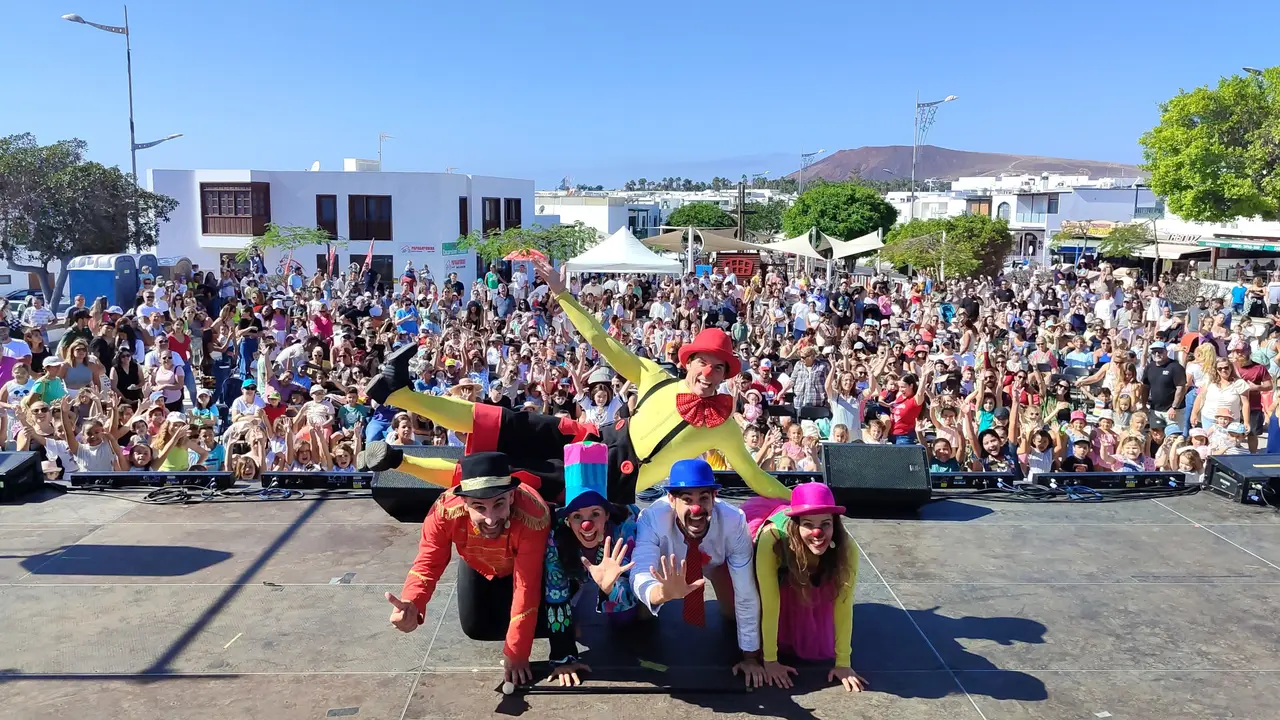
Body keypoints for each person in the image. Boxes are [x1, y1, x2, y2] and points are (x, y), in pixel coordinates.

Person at [357, 259, 792, 506]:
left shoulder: (725, 425)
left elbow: (753, 476)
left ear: (726, 374)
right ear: (690, 361)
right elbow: (601, 341)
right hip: (592, 436)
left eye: (719, 368)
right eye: (703, 363)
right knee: (505, 421)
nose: (709, 373)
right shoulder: (656, 376)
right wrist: (564, 294)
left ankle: (397, 462)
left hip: (607, 479)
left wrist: (801, 502)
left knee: (502, 478)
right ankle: (399, 392)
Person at [385, 452, 551, 688]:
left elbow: (526, 585)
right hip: (478, 565)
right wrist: (413, 602)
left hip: (525, 568)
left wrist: (517, 652)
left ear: (512, 497)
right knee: (477, 629)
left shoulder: (533, 515)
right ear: (464, 503)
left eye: (499, 504)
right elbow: (429, 561)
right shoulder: (443, 511)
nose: (491, 519)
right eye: (479, 507)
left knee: (548, 623)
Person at [629, 458, 767, 687]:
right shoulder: (653, 519)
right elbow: (641, 569)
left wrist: (751, 657)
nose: (696, 508)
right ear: (672, 500)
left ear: (714, 498)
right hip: (669, 568)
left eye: (703, 497)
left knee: (733, 614)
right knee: (643, 617)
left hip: (716, 562)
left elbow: (745, 591)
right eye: (687, 499)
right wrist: (660, 593)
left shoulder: (734, 522)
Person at [742, 483, 866, 693]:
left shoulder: (847, 547)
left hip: (813, 563)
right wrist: (770, 660)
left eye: (825, 524)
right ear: (796, 524)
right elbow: (770, 604)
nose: (818, 532)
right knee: (744, 611)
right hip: (780, 560)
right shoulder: (771, 539)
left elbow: (844, 604)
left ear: (834, 524)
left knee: (814, 597)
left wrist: (843, 663)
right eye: (808, 524)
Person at [539, 442, 641, 687]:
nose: (587, 525)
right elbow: (555, 596)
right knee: (564, 613)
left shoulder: (625, 527)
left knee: (623, 618)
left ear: (607, 514)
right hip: (575, 573)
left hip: (616, 580)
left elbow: (627, 592)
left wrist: (609, 588)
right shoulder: (557, 539)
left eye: (595, 514)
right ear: (567, 521)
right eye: (577, 517)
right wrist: (564, 658)